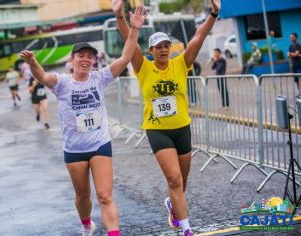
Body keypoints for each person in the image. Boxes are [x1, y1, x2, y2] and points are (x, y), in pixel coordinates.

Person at [20, 6, 147, 236]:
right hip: (74, 149)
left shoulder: (100, 78)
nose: (86, 60)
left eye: (90, 56)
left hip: (100, 144)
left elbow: (127, 56)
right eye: (82, 56)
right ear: (72, 60)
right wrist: (33, 63)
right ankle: (86, 223)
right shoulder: (62, 83)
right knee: (82, 196)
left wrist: (135, 28)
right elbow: (43, 77)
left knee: (105, 196)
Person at [112, 0, 221, 235]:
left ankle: (173, 205)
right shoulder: (143, 67)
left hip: (182, 128)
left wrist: (213, 13)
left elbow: (198, 38)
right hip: (158, 131)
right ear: (150, 50)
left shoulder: (181, 63)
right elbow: (128, 42)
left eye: (166, 45)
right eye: (158, 46)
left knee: (181, 182)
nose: (162, 49)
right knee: (173, 179)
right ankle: (186, 229)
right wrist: (121, 18)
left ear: (170, 48)